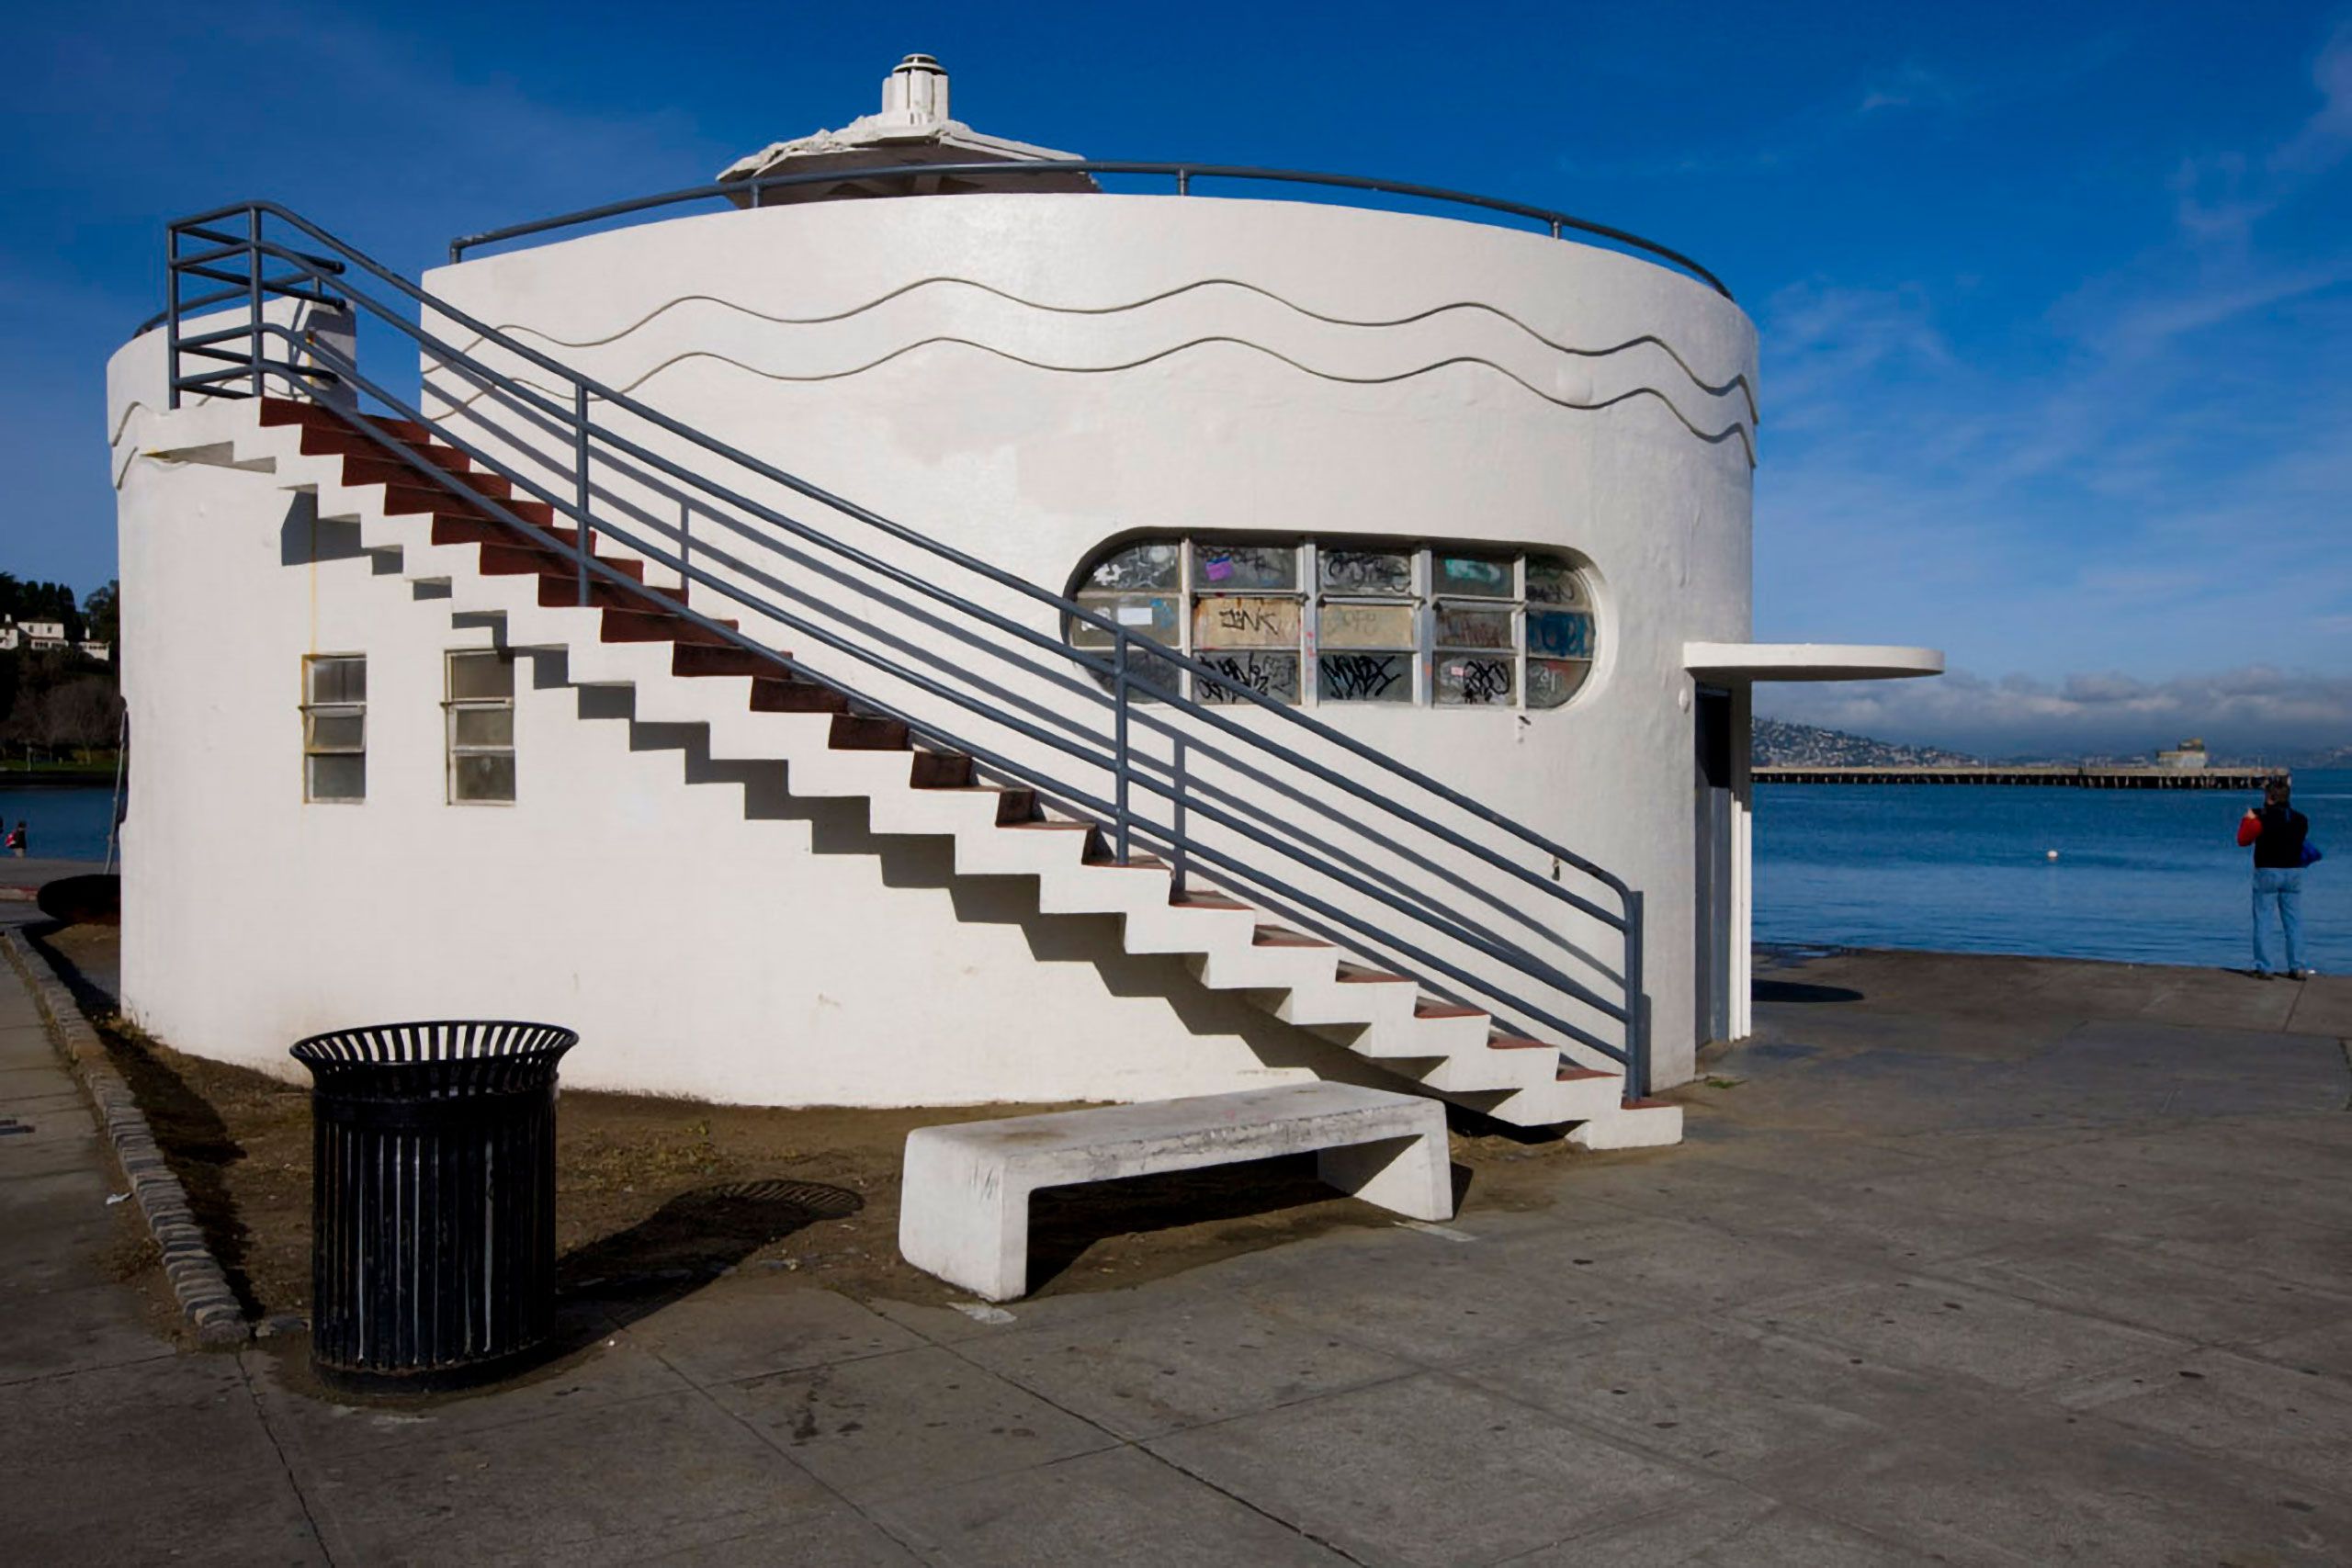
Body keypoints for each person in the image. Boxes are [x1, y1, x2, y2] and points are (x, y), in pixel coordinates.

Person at [2238, 777, 2314, 979]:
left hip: (2267, 871)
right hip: (2293, 872)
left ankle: (2265, 967)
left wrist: (2248, 820)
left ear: (2269, 797)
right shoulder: (2301, 819)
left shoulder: (2259, 816)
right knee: (2294, 921)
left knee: (2263, 920)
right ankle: (2298, 966)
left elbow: (2243, 840)